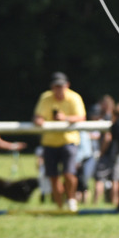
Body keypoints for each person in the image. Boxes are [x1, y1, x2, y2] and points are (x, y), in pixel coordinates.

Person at [32, 72, 86, 211]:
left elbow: (81, 117)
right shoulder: (45, 98)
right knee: (53, 177)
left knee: (69, 174)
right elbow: (38, 116)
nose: (59, 89)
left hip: (68, 141)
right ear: (52, 87)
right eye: (56, 86)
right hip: (49, 142)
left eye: (61, 86)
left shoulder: (74, 98)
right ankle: (60, 207)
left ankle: (71, 199)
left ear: (67, 85)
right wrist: (39, 121)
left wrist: (66, 118)